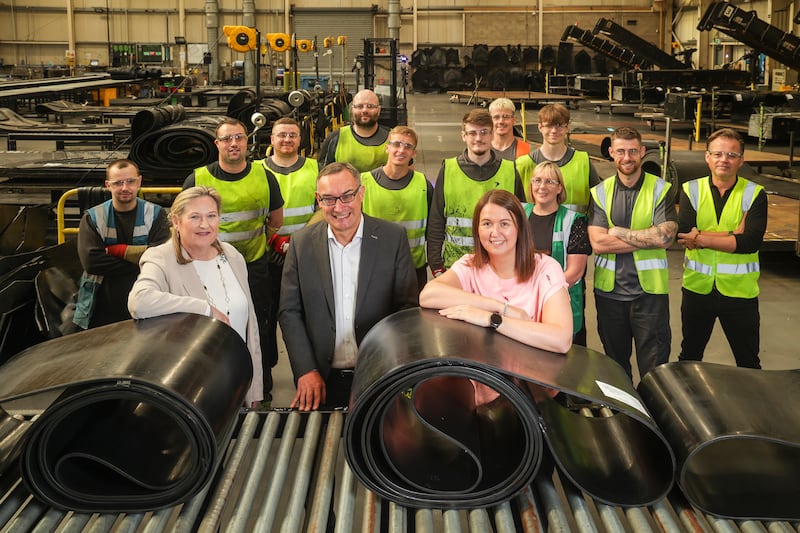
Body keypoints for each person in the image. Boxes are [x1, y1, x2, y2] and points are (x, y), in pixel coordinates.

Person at [279, 162, 418, 411]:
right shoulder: (301, 244)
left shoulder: (392, 238)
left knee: (372, 446)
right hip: (320, 379)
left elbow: (406, 310)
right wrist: (305, 370)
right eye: (329, 199)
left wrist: (388, 368)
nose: (339, 207)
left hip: (378, 377)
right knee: (320, 446)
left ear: (361, 193)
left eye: (347, 196)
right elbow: (290, 312)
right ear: (318, 200)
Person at [128, 187, 264, 406]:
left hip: (237, 379)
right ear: (176, 221)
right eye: (194, 217)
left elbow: (251, 328)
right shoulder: (161, 258)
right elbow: (140, 301)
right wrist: (206, 310)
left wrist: (255, 389)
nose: (205, 225)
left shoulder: (232, 256)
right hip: (189, 388)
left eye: (211, 216)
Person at [184, 117, 284, 403]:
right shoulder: (198, 178)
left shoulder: (264, 176)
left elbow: (276, 219)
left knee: (259, 326)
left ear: (247, 142)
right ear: (217, 144)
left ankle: (260, 388)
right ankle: (217, 388)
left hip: (254, 267)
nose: (234, 144)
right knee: (215, 328)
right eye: (227, 139)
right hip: (207, 271)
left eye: (239, 138)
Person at [420, 188, 572, 355]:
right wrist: (501, 308)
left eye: (504, 224)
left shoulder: (546, 269)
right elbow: (428, 295)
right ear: (477, 229)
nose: (495, 233)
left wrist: (491, 319)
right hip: (481, 375)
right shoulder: (469, 265)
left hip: (527, 377)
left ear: (519, 228)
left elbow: (561, 340)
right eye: (487, 224)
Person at [587, 126, 677, 381]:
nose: (627, 157)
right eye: (621, 151)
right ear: (611, 153)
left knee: (655, 369)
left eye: (633, 151)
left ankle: (653, 418)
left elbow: (665, 237)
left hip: (649, 296)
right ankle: (625, 417)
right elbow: (599, 244)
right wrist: (646, 236)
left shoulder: (661, 189)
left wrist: (616, 231)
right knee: (615, 369)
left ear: (643, 153)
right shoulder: (600, 192)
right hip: (609, 295)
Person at [676, 128, 767, 369]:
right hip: (697, 290)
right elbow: (684, 235)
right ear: (707, 157)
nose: (723, 160)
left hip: (740, 294)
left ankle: (753, 407)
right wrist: (731, 235)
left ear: (741, 160)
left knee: (748, 361)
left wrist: (702, 237)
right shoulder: (690, 190)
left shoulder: (754, 193)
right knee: (690, 356)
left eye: (731, 155)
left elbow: (750, 243)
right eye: (717, 153)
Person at [258, 117, 319, 387]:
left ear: (300, 140)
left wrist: (297, 243)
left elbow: (322, 211)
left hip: (305, 258)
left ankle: (309, 378)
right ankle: (265, 381)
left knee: (308, 321)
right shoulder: (256, 170)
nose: (286, 140)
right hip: (266, 258)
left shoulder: (315, 168)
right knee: (266, 320)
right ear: (271, 139)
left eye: (292, 135)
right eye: (281, 135)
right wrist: (274, 241)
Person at [427, 108, 526, 276]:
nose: (478, 138)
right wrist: (436, 265)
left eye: (484, 132)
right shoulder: (449, 169)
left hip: (500, 267)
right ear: (463, 136)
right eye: (472, 133)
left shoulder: (509, 171)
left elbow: (522, 222)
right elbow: (436, 221)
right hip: (457, 267)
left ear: (492, 134)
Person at [74, 158, 171, 330]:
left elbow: (162, 258)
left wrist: (116, 251)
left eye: (130, 181)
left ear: (139, 182)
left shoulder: (155, 214)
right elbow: (92, 263)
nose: (125, 188)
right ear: (108, 185)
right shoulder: (93, 218)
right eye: (118, 183)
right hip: (101, 305)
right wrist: (141, 259)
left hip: (146, 300)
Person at [525, 161, 591, 346]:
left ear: (559, 188)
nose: (542, 186)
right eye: (537, 180)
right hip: (523, 304)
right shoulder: (519, 215)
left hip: (560, 304)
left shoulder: (574, 221)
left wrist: (541, 294)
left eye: (550, 182)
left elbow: (575, 272)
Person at [361, 125, 433, 292]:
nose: (401, 150)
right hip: (373, 268)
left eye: (408, 146)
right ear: (387, 148)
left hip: (413, 267)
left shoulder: (423, 185)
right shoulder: (364, 182)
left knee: (411, 316)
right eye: (396, 144)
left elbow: (433, 227)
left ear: (414, 153)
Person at [517, 103, 601, 212]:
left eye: (560, 125)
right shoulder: (523, 165)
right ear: (540, 127)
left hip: (577, 228)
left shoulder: (583, 162)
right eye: (549, 125)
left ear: (568, 127)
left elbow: (599, 203)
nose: (554, 131)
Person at [317, 89, 390, 172]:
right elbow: (323, 175)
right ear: (352, 110)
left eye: (370, 106)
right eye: (359, 106)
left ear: (379, 110)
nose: (364, 110)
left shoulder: (392, 138)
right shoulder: (335, 138)